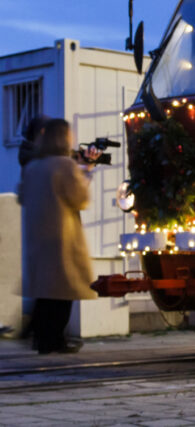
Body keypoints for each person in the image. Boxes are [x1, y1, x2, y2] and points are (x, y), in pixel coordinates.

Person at [18, 119, 97, 353]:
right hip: (61, 240)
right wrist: (87, 170)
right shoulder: (65, 165)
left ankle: (41, 337)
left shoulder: (32, 167)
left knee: (46, 291)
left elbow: (22, 196)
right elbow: (80, 199)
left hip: (37, 239)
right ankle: (53, 340)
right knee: (64, 293)